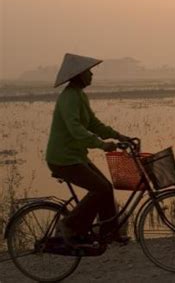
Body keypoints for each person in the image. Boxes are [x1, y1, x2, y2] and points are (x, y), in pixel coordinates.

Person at [46, 53, 131, 246]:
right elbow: (75, 129)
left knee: (106, 187)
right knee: (99, 188)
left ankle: (109, 233)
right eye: (88, 72)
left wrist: (118, 136)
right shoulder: (68, 98)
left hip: (76, 156)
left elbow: (93, 124)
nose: (91, 75)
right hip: (63, 159)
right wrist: (102, 145)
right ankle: (68, 225)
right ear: (79, 75)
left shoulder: (79, 96)